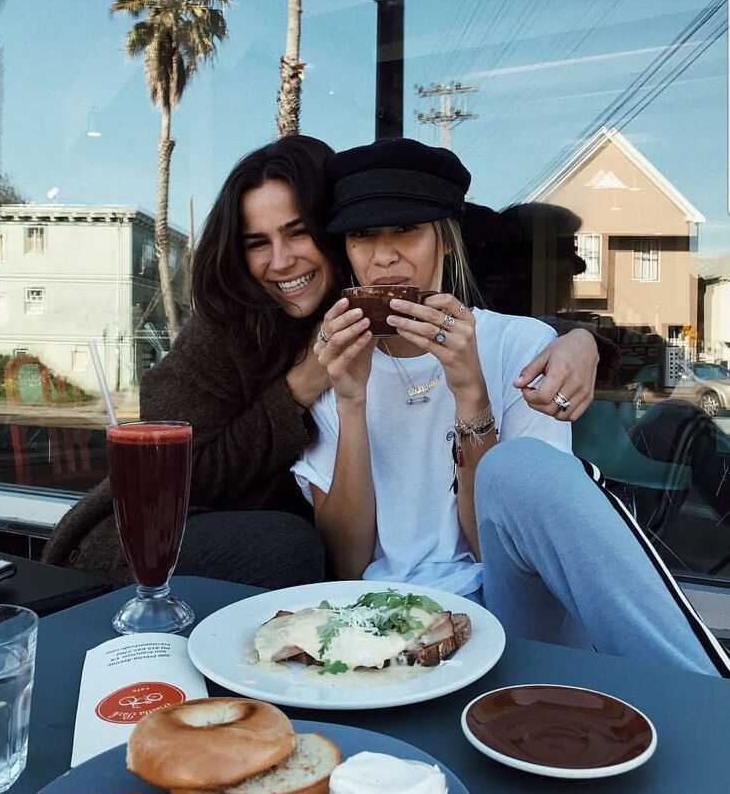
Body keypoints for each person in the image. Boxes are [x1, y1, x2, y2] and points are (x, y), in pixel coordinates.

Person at [42, 135, 600, 588]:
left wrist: (583, 340)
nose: (281, 262)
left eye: (298, 233)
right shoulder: (237, 328)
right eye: (256, 242)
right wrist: (310, 383)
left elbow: (493, 317)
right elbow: (179, 479)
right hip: (154, 534)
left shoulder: (392, 314)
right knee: (286, 548)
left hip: (300, 553)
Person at [291, 137, 729, 677]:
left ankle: (698, 688)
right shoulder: (335, 357)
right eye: (362, 235)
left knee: (519, 466)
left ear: (445, 242)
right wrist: (352, 402)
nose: (384, 255)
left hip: (507, 605)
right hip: (378, 618)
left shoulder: (519, 345)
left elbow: (488, 551)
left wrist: (469, 391)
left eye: (406, 229)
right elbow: (347, 563)